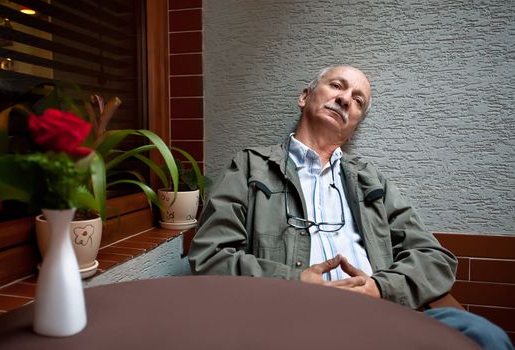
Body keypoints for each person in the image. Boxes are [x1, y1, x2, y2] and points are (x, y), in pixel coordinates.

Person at [188, 65, 513, 350]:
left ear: (355, 124)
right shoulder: (250, 167)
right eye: (337, 86)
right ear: (305, 96)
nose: (345, 99)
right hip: (291, 317)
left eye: (358, 100)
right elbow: (209, 256)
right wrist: (295, 281)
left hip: (381, 315)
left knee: (485, 336)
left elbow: (435, 259)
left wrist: (380, 288)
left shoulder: (370, 181)